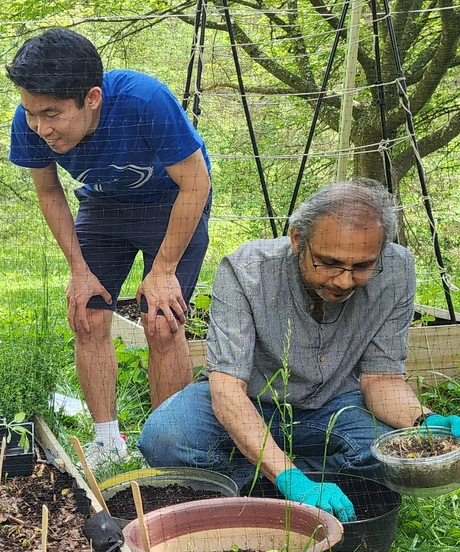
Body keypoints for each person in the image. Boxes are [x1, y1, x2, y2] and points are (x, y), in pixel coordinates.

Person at [138, 179, 460, 522]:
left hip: (335, 405)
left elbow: (381, 379)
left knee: (388, 457)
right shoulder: (246, 271)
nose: (343, 281)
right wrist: (289, 478)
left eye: (362, 267)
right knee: (165, 438)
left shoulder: (397, 270)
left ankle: (251, 487)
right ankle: (287, 482)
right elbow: (228, 389)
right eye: (329, 262)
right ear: (297, 240)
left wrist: (426, 423)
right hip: (250, 400)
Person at [7, 27, 212, 471]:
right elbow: (48, 193)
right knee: (88, 312)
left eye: (52, 114)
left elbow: (196, 183)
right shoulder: (29, 124)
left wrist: (163, 271)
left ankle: (167, 449)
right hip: (104, 206)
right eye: (30, 113)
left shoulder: (145, 102)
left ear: (92, 98)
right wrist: (79, 269)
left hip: (172, 202)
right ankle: (107, 443)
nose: (41, 128)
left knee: (162, 320)